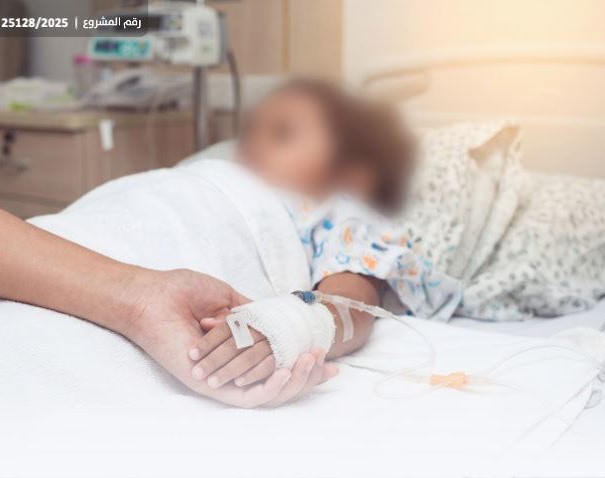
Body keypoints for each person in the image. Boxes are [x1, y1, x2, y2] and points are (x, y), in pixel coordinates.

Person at [0, 157, 336, 408]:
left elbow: (347, 307)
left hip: (236, 225)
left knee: (14, 343)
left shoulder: (349, 205)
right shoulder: (217, 166)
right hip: (150, 203)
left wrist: (286, 327)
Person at [188, 79, 461, 389]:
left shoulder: (339, 215)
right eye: (249, 132)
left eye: (282, 133)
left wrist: (291, 328)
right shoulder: (227, 176)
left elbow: (350, 307)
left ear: (350, 172)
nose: (253, 145)